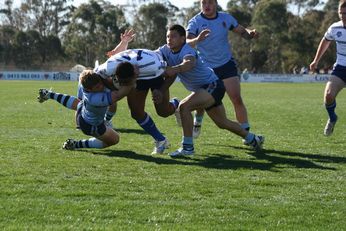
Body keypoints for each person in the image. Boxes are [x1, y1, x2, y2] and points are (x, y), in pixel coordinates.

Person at [158, 24, 264, 157]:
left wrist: (174, 69)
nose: (169, 39)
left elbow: (188, 63)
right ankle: (253, 139)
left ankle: (188, 148)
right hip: (205, 89)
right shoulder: (164, 50)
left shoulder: (187, 50)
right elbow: (153, 56)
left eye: (173, 36)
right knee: (222, 123)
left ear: (182, 39)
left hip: (212, 85)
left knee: (184, 107)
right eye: (167, 36)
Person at [186, 0, 259, 139]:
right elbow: (187, 42)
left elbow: (243, 32)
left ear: (216, 4)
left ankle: (246, 132)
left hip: (226, 65)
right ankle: (198, 121)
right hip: (206, 68)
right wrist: (197, 39)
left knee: (236, 98)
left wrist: (251, 34)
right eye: (204, 3)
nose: (207, 5)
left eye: (210, 2)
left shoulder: (226, 18)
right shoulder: (195, 21)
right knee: (199, 101)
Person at [95, 47, 179, 154]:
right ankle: (161, 140)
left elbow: (173, 72)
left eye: (127, 83)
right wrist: (112, 88)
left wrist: (161, 91)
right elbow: (97, 76)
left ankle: (176, 104)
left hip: (152, 71)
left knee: (163, 112)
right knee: (136, 112)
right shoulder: (108, 67)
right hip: (136, 70)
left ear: (136, 74)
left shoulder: (154, 66)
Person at [37, 68, 136, 150]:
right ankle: (76, 144)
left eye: (100, 83)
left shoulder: (88, 85)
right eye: (97, 87)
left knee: (78, 103)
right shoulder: (96, 99)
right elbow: (118, 95)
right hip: (91, 125)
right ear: (89, 89)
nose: (101, 86)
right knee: (115, 139)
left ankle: (49, 94)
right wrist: (132, 81)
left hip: (83, 110)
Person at [309, 0, 346, 136]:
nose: (343, 16)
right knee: (329, 96)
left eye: (345, 13)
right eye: (340, 13)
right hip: (341, 68)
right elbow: (325, 41)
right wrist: (316, 60)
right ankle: (332, 118)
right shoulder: (335, 28)